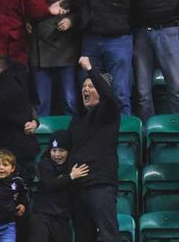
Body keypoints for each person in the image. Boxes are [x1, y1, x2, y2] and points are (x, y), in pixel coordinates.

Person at [68, 0, 134, 114]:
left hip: (118, 38)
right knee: (90, 93)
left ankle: (124, 139)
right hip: (91, 40)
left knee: (121, 93)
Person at [68, 56, 119, 241]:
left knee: (108, 236)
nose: (85, 90)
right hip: (78, 188)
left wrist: (90, 69)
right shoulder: (77, 119)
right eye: (84, 87)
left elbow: (109, 96)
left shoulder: (109, 114)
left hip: (100, 186)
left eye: (91, 86)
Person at [29, 0, 79, 116]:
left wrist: (71, 20)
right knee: (41, 104)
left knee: (70, 102)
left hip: (65, 50)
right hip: (39, 52)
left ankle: (70, 140)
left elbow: (83, 10)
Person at [29, 130, 90, 242]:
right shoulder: (44, 164)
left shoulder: (74, 165)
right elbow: (51, 183)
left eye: (61, 150)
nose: (57, 154)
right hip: (42, 215)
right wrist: (70, 176)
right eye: (54, 150)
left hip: (62, 218)